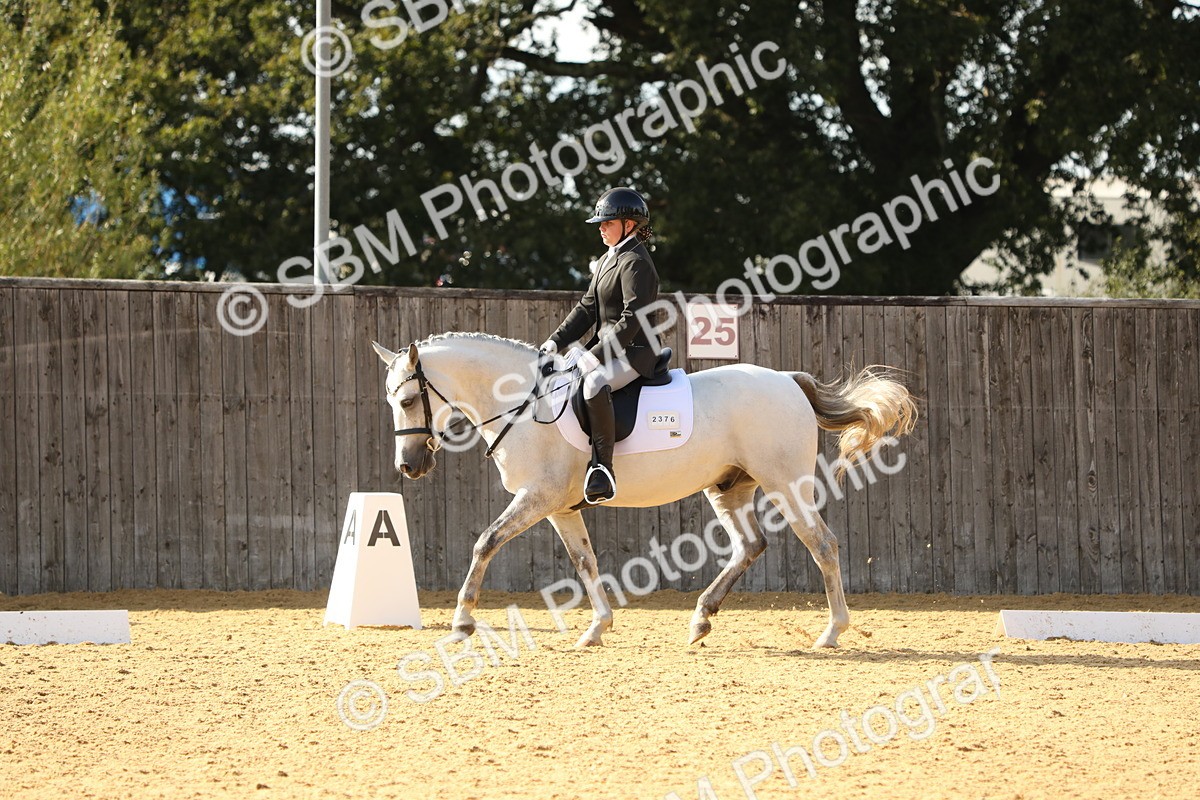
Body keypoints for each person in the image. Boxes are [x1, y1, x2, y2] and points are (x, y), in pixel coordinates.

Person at [540, 187, 661, 504]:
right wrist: (554, 342)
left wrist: (594, 356)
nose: (601, 227)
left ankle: (602, 470)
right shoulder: (610, 259)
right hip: (609, 348)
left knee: (593, 383)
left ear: (629, 225)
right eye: (601, 223)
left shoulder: (637, 263)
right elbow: (586, 309)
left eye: (607, 222)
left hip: (635, 353)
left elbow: (631, 318)